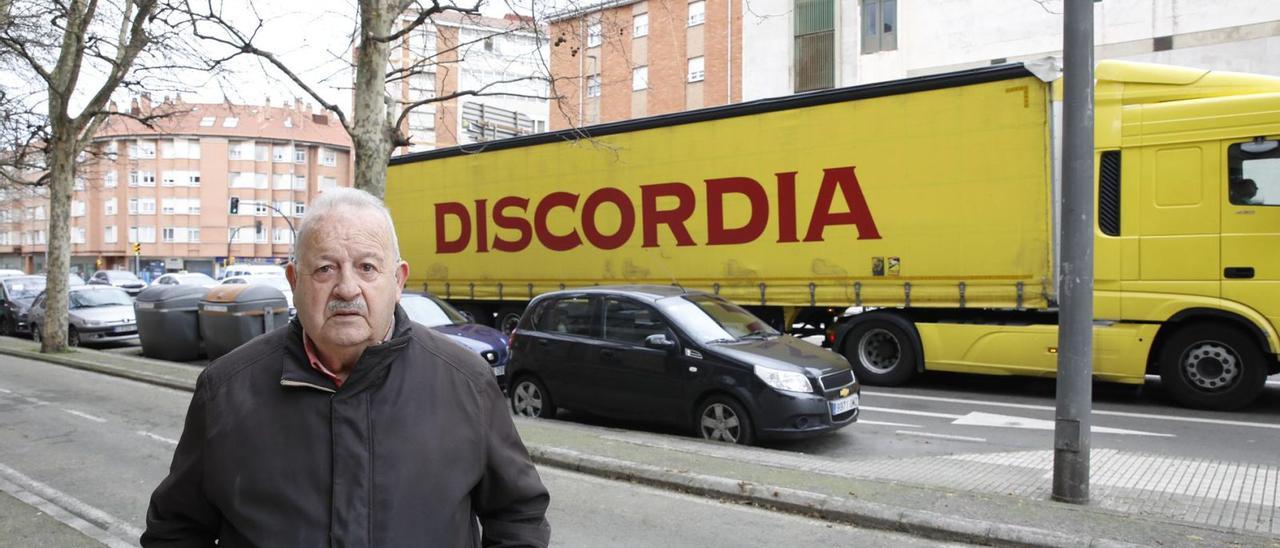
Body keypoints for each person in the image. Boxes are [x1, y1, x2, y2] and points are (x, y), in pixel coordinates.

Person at [142, 188, 550, 547]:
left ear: (398, 280)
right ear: (294, 280)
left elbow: (519, 516)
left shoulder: (466, 382)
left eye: (367, 267)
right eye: (325, 268)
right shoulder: (226, 391)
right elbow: (175, 529)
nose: (347, 288)